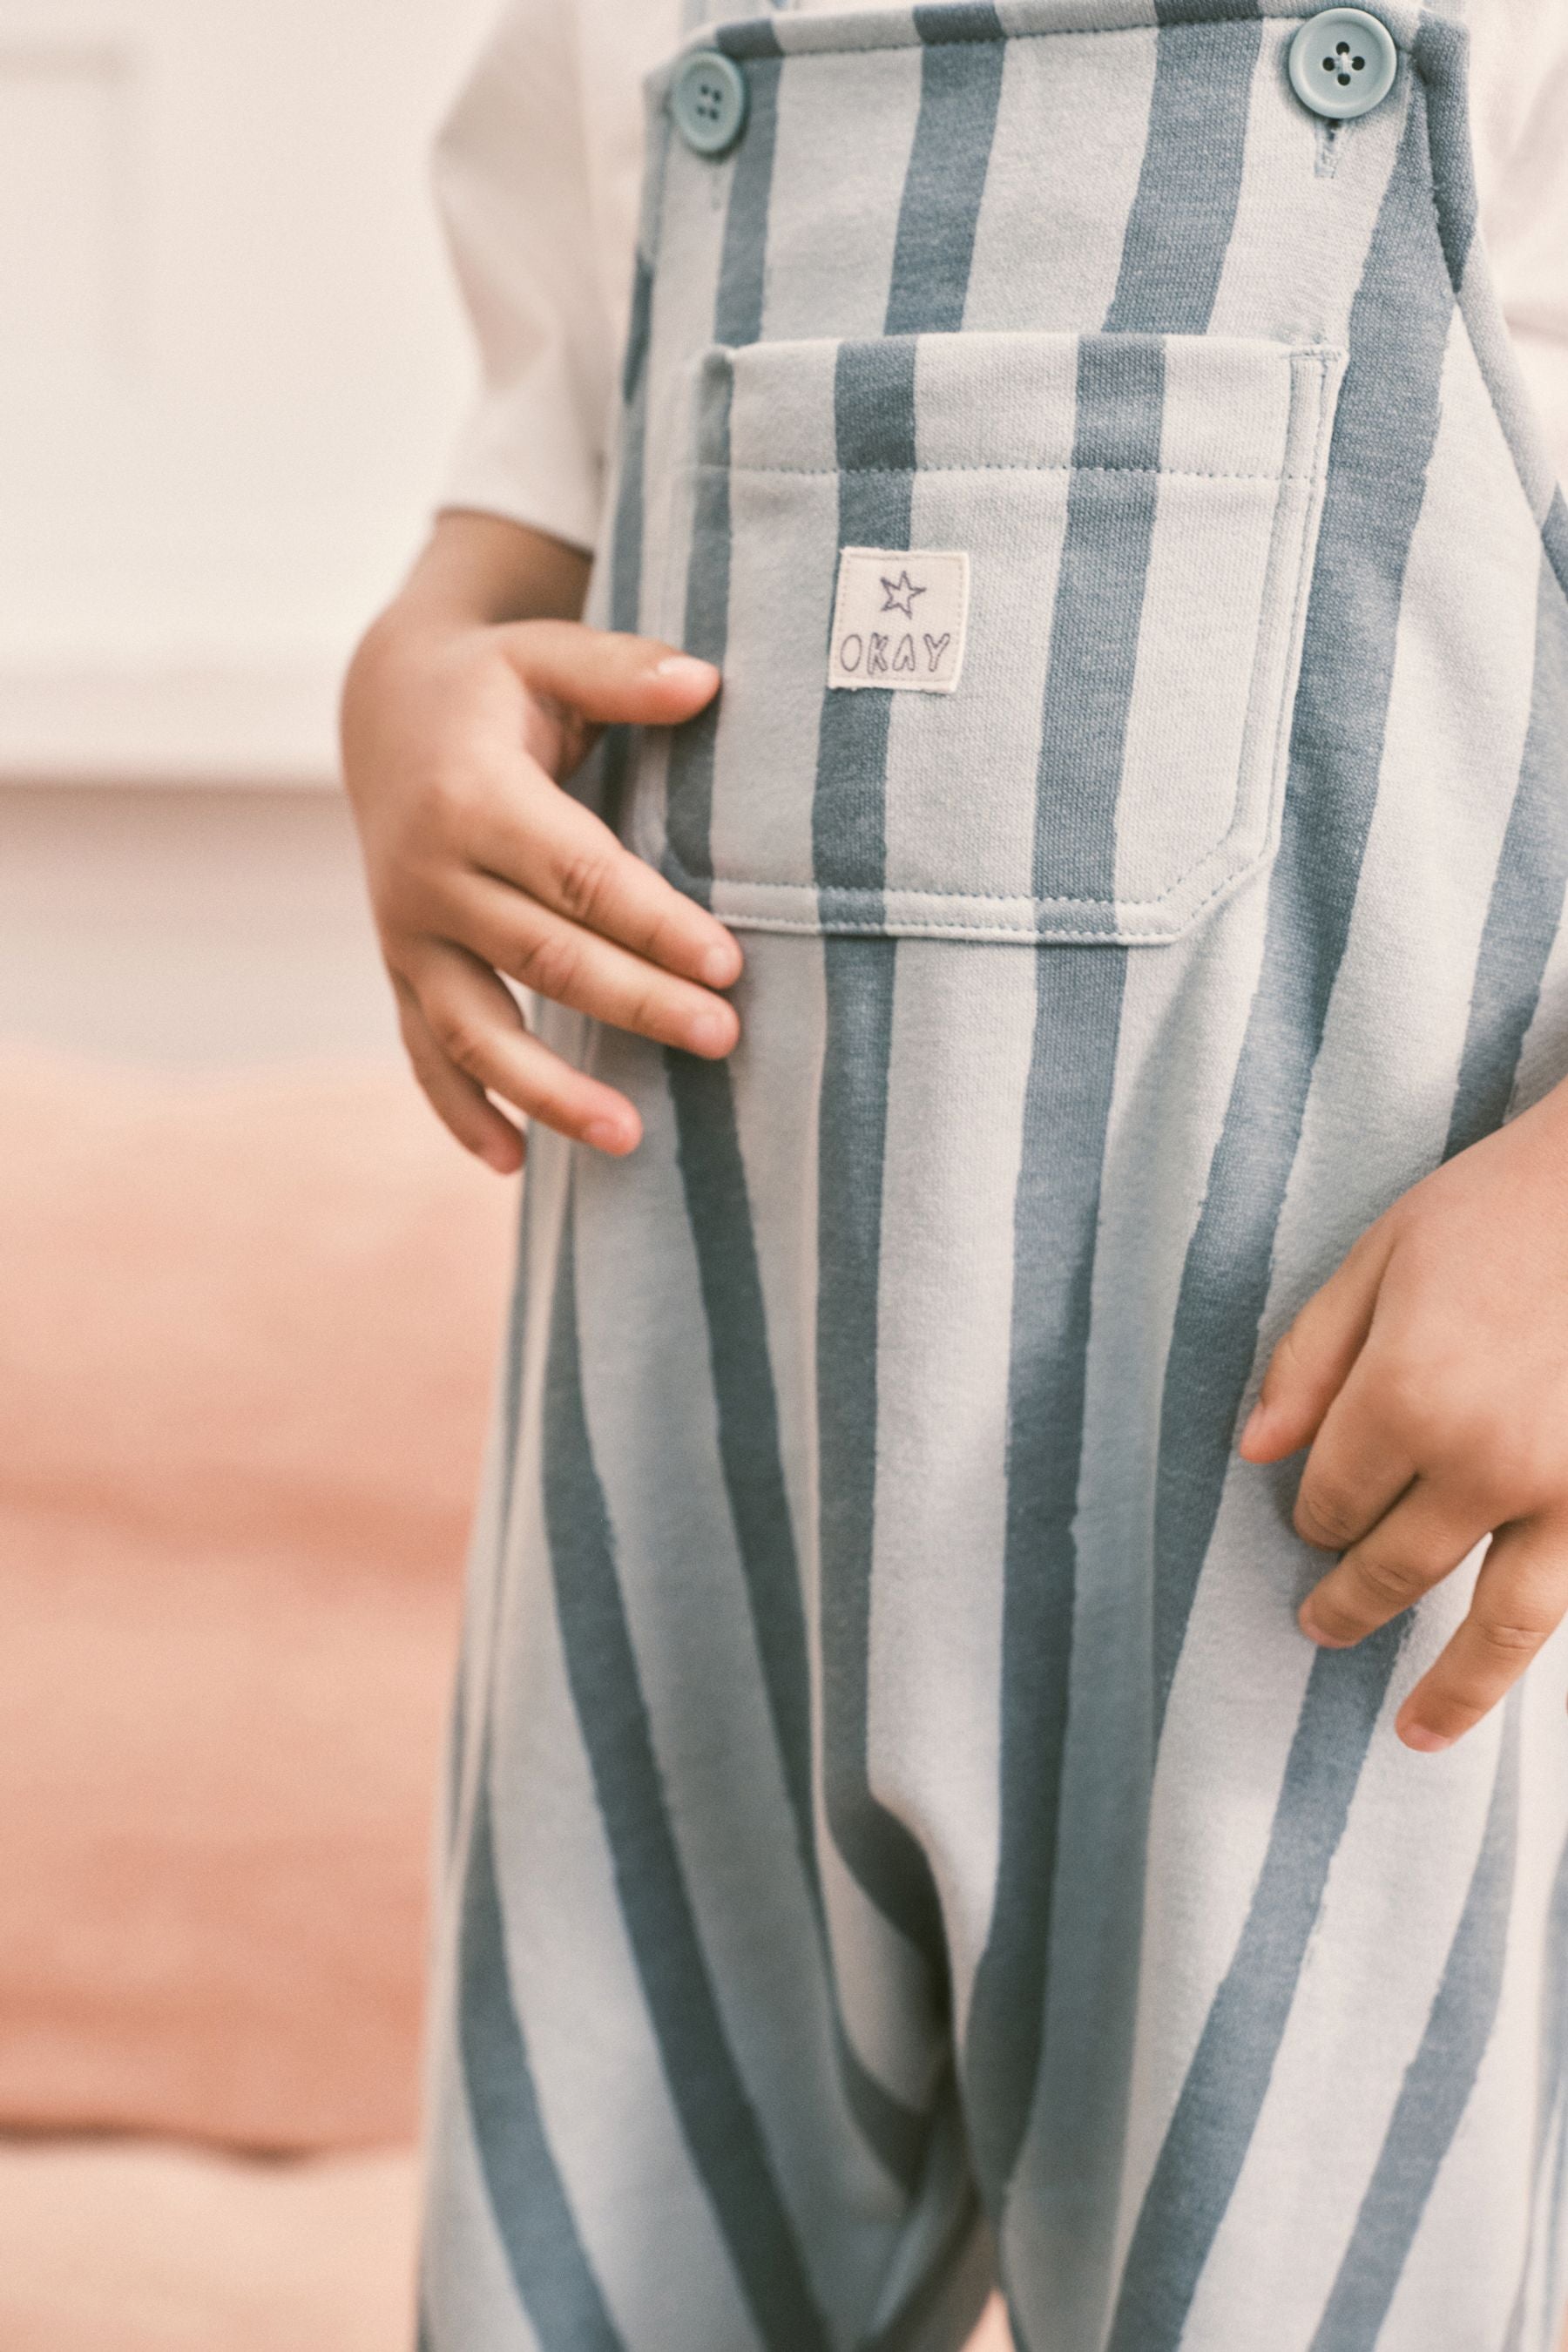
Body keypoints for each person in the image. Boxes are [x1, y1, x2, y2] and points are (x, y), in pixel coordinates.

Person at [341, 3, 1568, 2345]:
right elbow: (509, 529)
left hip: (1318, 1508)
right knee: (593, 2266)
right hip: (695, 1494)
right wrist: (409, 699)